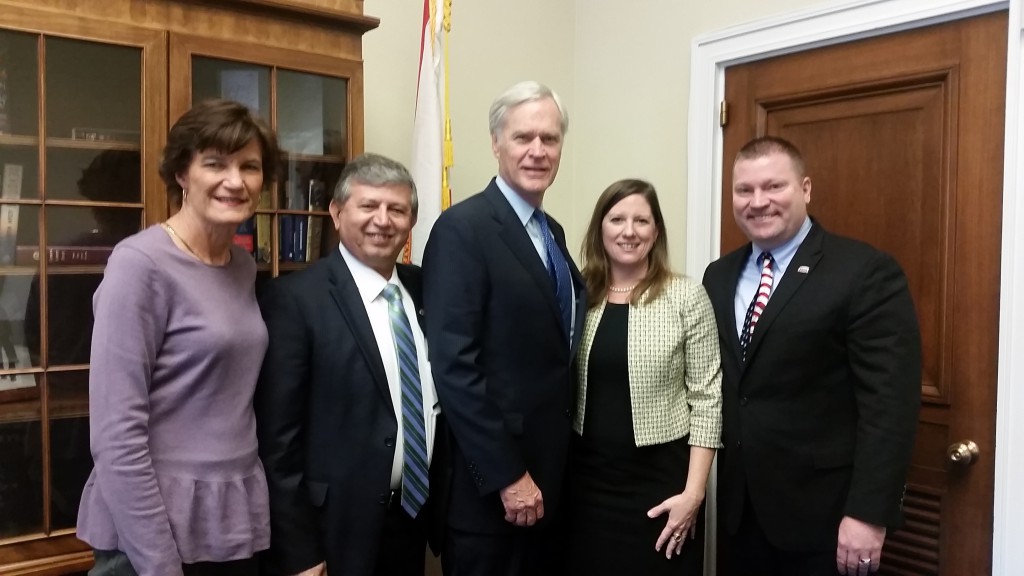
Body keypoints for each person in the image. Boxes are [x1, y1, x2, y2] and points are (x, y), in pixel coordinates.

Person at [76, 98, 280, 576]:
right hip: (150, 531)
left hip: (228, 519)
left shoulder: (243, 266)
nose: (235, 180)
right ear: (182, 175)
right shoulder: (139, 265)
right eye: (215, 163)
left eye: (250, 166)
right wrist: (157, 562)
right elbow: (116, 436)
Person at [701, 136, 921, 576]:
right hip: (740, 515)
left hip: (827, 520)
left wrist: (868, 514)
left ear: (804, 189)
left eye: (773, 187)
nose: (758, 201)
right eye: (744, 190)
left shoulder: (862, 271)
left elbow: (889, 405)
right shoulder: (719, 275)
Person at [422, 80, 586, 576]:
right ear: (496, 143)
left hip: (552, 482)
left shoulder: (550, 232)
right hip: (493, 491)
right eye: (523, 137)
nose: (538, 150)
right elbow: (454, 367)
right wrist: (508, 475)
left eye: (550, 139)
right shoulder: (462, 229)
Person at [255, 153, 446, 576]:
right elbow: (277, 442)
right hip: (332, 531)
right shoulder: (294, 300)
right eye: (368, 206)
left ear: (411, 221)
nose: (383, 220)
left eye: (397, 209)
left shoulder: (425, 288)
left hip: (411, 520)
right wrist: (299, 550)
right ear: (337, 214)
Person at [566, 179, 721, 575]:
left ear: (656, 232)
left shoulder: (686, 296)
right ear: (601, 228)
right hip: (586, 488)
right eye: (617, 218)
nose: (629, 230)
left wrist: (694, 494)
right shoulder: (578, 293)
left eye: (641, 220)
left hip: (661, 487)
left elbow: (708, 399)